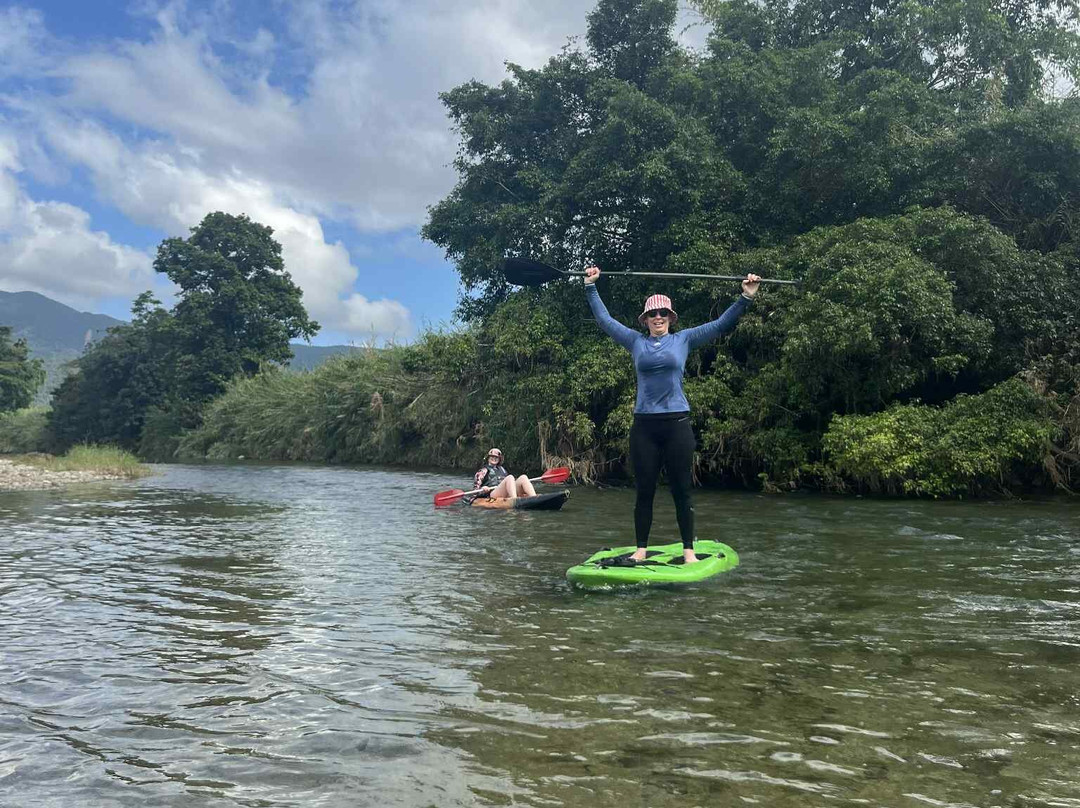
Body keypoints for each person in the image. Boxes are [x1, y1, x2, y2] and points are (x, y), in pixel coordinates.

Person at [584, 266, 761, 563]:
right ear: (645, 320)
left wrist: (746, 296)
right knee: (645, 491)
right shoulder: (635, 342)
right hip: (644, 426)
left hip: (677, 423)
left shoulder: (684, 339)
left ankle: (688, 552)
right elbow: (605, 320)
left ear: (670, 317)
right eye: (653, 315)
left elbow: (720, 324)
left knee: (682, 490)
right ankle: (641, 549)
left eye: (663, 314)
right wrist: (590, 286)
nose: (658, 318)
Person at [472, 447, 538, 499]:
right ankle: (514, 500)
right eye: (492, 457)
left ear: (499, 459)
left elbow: (510, 483)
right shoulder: (483, 471)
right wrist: (482, 489)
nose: (494, 458)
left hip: (506, 492)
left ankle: (534, 498)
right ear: (488, 458)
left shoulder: (502, 469)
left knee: (523, 477)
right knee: (510, 477)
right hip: (493, 493)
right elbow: (475, 489)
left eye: (496, 457)